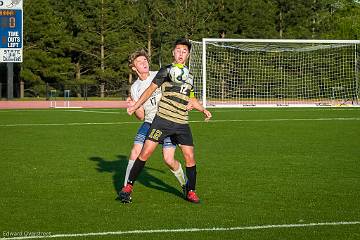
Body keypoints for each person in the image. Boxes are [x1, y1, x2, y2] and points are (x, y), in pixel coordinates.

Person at [119, 38, 212, 204]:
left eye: (184, 51)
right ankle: (128, 187)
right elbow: (149, 91)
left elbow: (191, 97)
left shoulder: (190, 76)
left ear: (188, 54)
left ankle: (190, 190)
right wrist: (134, 107)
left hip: (181, 123)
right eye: (178, 50)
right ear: (173, 53)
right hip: (160, 121)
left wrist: (202, 109)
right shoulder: (164, 72)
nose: (181, 54)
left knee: (186, 157)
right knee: (143, 152)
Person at [123, 50, 187, 200]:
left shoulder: (158, 74)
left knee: (169, 160)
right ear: (134, 67)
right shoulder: (135, 88)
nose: (144, 63)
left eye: (145, 60)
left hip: (167, 121)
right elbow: (141, 116)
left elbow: (176, 89)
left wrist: (186, 101)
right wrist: (133, 106)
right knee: (135, 151)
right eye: (139, 61)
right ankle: (126, 189)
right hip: (149, 122)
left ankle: (185, 185)